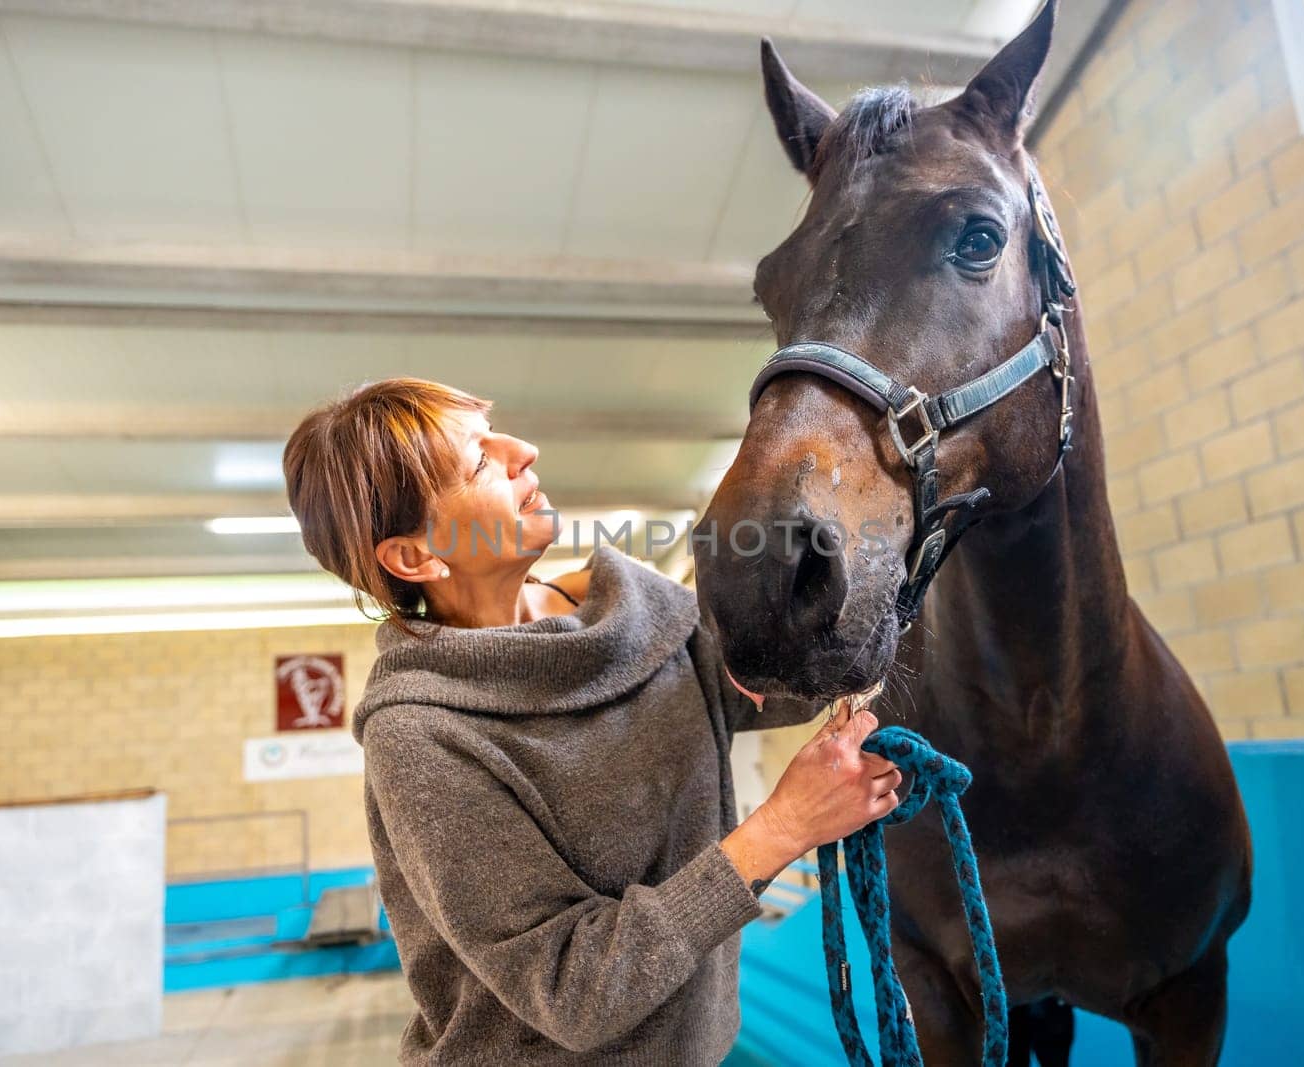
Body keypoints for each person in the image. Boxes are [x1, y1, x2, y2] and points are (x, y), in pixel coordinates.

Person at [283, 377, 901, 1065]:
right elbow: (571, 989)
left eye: (500, 433)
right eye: (480, 461)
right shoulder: (424, 736)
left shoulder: (637, 618)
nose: (524, 450)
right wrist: (783, 827)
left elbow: (779, 679)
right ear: (415, 556)